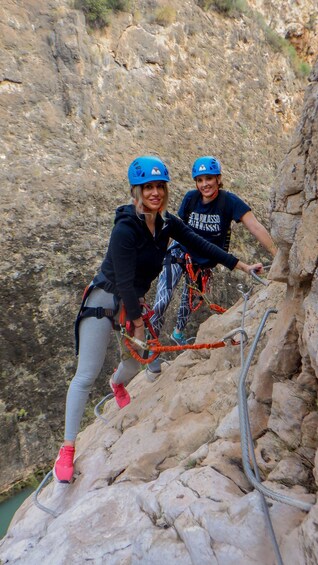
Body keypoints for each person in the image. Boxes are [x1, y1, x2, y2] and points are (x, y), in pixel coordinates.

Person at [53, 155, 264, 483]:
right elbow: (122, 280)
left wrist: (243, 266)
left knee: (143, 359)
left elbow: (201, 243)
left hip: (131, 300)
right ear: (136, 192)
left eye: (159, 186)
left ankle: (118, 383)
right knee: (85, 374)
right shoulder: (125, 228)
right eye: (147, 187)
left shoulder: (167, 222)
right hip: (105, 298)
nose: (155, 192)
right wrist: (137, 321)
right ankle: (67, 449)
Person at [147, 155, 277, 378]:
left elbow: (254, 226)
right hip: (180, 253)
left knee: (190, 302)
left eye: (209, 178)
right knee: (162, 300)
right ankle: (152, 351)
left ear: (218, 179)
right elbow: (175, 229)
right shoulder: (190, 199)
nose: (204, 184)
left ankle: (178, 333)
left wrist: (277, 254)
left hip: (205, 261)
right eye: (200, 180)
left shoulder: (229, 202)